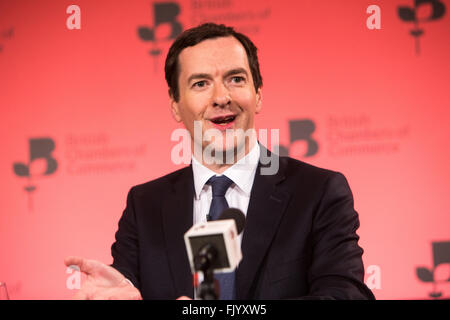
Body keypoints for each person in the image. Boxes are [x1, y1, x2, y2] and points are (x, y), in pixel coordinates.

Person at [65, 23, 375, 300]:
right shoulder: (144, 205)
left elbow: (346, 295)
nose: (221, 96)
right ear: (175, 105)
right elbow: (125, 292)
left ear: (258, 94)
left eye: (236, 79)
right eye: (200, 83)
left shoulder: (318, 192)